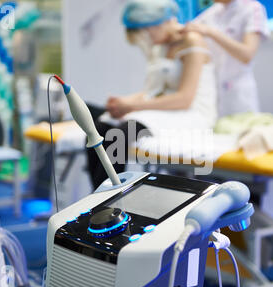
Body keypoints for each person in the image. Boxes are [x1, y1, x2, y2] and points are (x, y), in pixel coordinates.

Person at [87, 0, 218, 189]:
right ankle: (98, 197)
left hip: (193, 113)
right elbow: (152, 92)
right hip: (167, 109)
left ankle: (112, 198)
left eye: (145, 35)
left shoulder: (192, 41)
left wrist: (131, 107)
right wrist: (123, 102)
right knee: (99, 128)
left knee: (121, 133)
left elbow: (185, 99)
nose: (148, 41)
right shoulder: (162, 46)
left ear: (159, 24)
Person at [183, 0, 270, 117]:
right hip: (213, 96)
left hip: (238, 96)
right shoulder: (213, 12)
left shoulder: (253, 9)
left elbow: (247, 55)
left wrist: (212, 32)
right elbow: (188, 29)